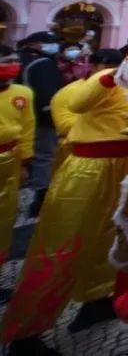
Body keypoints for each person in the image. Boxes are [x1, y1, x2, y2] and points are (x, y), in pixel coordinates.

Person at [3, 50, 128, 351]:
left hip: (124, 169)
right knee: (60, 247)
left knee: (111, 239)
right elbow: (72, 114)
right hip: (88, 169)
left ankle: (98, 299)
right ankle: (24, 333)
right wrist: (109, 77)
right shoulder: (81, 88)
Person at [16, 31, 63, 218]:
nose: (55, 46)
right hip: (42, 119)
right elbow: (48, 95)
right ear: (34, 44)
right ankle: (40, 197)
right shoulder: (43, 64)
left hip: (18, 117)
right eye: (49, 42)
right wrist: (54, 116)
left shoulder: (19, 59)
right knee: (44, 156)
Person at [0, 46, 34, 266]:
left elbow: (28, 128)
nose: (13, 66)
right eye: (6, 61)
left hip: (11, 157)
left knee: (6, 207)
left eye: (15, 61)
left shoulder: (23, 93)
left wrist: (25, 161)